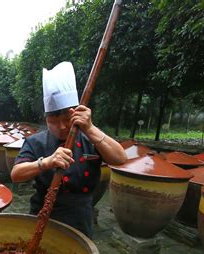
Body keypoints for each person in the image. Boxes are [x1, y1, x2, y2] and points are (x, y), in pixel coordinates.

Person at [11, 62, 127, 238]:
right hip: (43, 215)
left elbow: (120, 158)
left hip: (80, 218)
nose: (62, 126)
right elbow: (16, 174)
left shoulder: (90, 138)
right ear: (46, 119)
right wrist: (46, 162)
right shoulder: (35, 142)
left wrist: (90, 127)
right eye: (53, 121)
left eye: (67, 118)